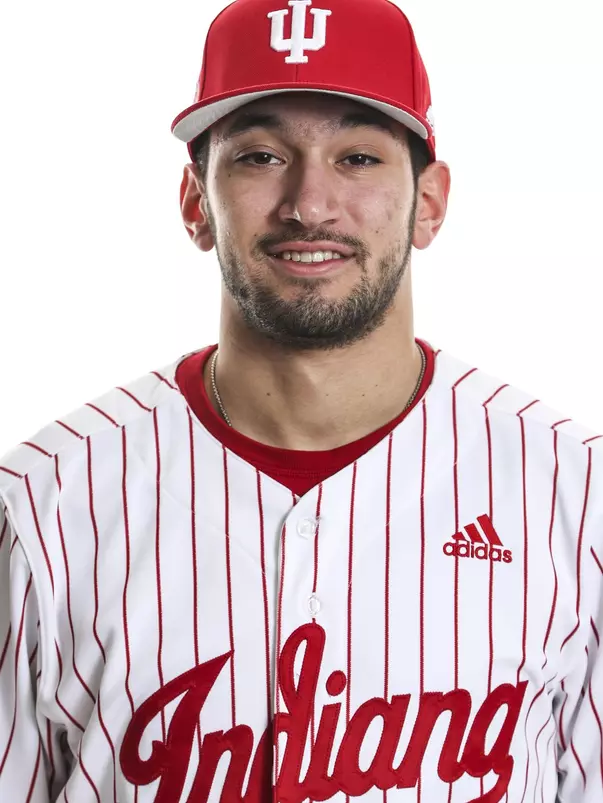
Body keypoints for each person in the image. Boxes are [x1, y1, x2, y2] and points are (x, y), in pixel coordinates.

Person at [1, 0, 602, 800]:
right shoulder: (45, 500)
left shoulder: (573, 493)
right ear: (194, 204)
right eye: (258, 157)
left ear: (428, 201)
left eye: (356, 157)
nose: (309, 204)